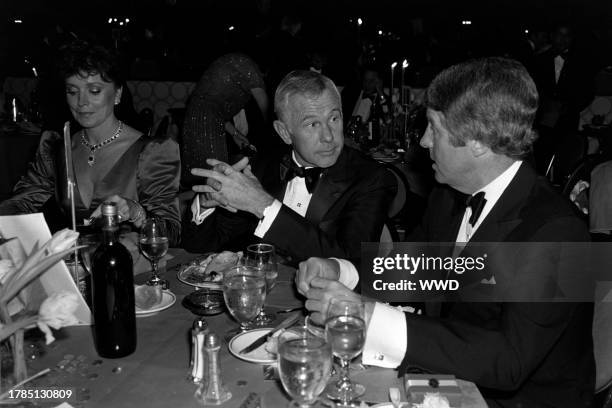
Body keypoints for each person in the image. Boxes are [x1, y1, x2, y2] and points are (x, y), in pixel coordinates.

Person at [298, 58, 595, 407]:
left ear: (478, 142)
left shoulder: (560, 232)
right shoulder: (448, 197)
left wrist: (370, 317)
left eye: (434, 129)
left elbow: (509, 360)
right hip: (447, 379)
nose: (423, 141)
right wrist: (341, 270)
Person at [181, 70, 396, 266]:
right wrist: (206, 203)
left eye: (334, 118)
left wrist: (263, 205)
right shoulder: (258, 169)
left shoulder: (372, 179)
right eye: (313, 124)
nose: (329, 136)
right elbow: (200, 250)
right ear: (284, 132)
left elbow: (350, 263)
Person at [0, 41, 181, 245]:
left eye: (94, 91)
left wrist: (136, 211)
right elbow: (21, 202)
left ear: (118, 94)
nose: (81, 102)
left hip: (133, 267)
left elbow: (172, 232)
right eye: (72, 91)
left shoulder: (152, 151)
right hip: (74, 267)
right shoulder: (57, 147)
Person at [180, 53, 269, 188]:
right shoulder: (251, 69)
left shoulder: (236, 63)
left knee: (205, 179)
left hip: (197, 120)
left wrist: (235, 134)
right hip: (205, 124)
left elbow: (213, 108)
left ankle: (194, 207)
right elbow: (266, 110)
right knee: (216, 181)